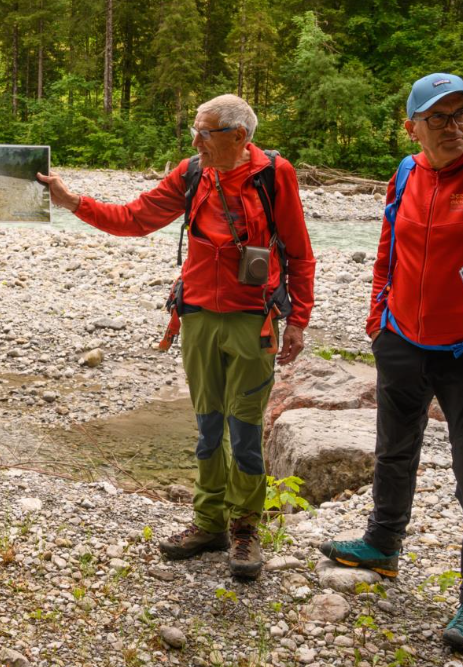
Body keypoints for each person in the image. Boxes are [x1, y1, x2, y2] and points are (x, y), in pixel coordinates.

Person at [319, 73, 463, 651]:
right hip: (402, 339)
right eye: (439, 118)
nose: (454, 127)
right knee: (393, 450)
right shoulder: (405, 173)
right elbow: (388, 251)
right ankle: (382, 545)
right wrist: (379, 317)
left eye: (461, 115)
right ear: (413, 126)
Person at [38, 94, 315, 579]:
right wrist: (72, 202)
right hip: (198, 317)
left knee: (245, 429)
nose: (195, 141)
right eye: (195, 130)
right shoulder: (191, 173)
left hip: (254, 320)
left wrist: (299, 320)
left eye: (204, 132)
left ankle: (245, 526)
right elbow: (134, 219)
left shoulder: (275, 174)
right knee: (209, 425)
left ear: (238, 136)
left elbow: (299, 252)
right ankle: (208, 521)